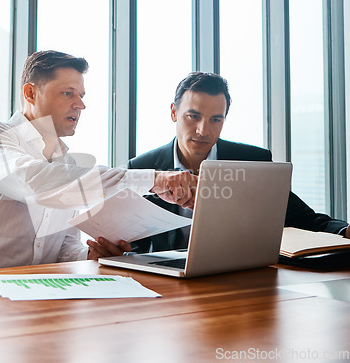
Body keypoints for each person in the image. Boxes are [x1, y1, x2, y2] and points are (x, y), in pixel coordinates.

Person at [0, 50, 197, 273]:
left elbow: (62, 247)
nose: (80, 105)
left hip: (33, 295)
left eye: (81, 95)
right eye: (67, 93)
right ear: (30, 93)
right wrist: (153, 179)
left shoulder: (67, 164)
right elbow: (33, 182)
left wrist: (90, 256)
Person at [128, 71, 349, 254]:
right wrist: (116, 252)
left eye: (216, 119)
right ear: (174, 113)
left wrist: (344, 231)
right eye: (193, 116)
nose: (203, 130)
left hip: (240, 279)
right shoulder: (142, 169)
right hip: (168, 285)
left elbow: (303, 218)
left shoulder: (253, 161)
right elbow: (134, 246)